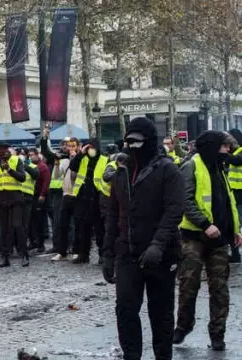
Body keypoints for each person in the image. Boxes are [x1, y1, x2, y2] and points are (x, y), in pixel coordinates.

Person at [103, 117, 184, 360]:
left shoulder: (168, 170)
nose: (132, 147)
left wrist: (158, 245)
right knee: (125, 309)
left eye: (137, 142)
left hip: (161, 253)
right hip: (128, 252)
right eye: (128, 142)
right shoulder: (121, 173)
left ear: (149, 142)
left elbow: (174, 210)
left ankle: (162, 356)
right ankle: (132, 356)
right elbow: (113, 214)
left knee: (160, 313)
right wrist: (108, 254)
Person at [174, 130, 242, 351]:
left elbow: (227, 199)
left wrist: (235, 228)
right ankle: (183, 326)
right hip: (194, 237)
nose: (228, 151)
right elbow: (185, 201)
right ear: (213, 146)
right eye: (224, 146)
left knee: (220, 289)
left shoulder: (218, 167)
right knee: (188, 285)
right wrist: (205, 224)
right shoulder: (191, 166)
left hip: (220, 238)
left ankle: (217, 334)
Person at [0, 142, 29, 267]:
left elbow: (22, 178)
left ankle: (24, 255)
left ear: (8, 150)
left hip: (15, 197)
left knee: (17, 226)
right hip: (1, 199)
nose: (2, 152)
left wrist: (9, 170)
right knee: (4, 229)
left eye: (4, 150)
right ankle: (5, 258)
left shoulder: (16, 160)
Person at [69, 138, 106, 264]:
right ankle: (83, 254)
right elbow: (72, 167)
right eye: (88, 148)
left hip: (97, 198)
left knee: (100, 229)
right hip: (82, 198)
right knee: (83, 229)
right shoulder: (82, 159)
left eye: (92, 147)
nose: (91, 150)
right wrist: (80, 153)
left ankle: (103, 255)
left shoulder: (104, 160)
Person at [51, 138, 79, 261]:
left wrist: (75, 159)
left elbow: (74, 176)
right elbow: (56, 176)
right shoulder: (64, 161)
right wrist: (56, 164)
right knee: (63, 225)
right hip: (66, 194)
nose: (70, 148)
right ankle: (62, 251)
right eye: (68, 146)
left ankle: (76, 250)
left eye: (73, 145)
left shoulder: (81, 160)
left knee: (76, 225)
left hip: (77, 195)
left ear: (78, 147)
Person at [28, 148, 50, 253]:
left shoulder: (42, 167)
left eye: (32, 155)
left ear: (37, 155)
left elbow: (46, 182)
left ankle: (41, 244)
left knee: (39, 221)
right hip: (32, 196)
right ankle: (34, 242)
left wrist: (43, 194)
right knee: (31, 221)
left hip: (39, 196)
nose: (31, 157)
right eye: (30, 155)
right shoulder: (31, 166)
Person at [226, 128, 242, 263]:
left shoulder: (239, 152)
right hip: (234, 191)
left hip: (240, 192)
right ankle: (235, 253)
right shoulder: (232, 151)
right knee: (234, 223)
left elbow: (237, 161)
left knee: (237, 222)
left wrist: (222, 155)